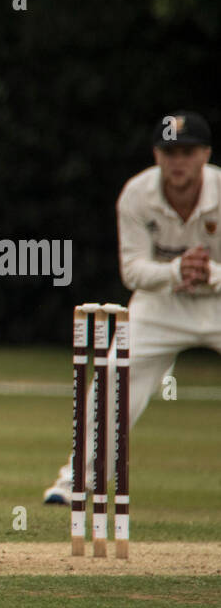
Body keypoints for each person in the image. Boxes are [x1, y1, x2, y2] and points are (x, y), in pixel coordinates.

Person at [43, 111, 221, 505]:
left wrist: (212, 274)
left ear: (205, 154)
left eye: (188, 151)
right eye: (169, 151)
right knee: (112, 375)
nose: (178, 161)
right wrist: (176, 271)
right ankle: (79, 477)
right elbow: (132, 270)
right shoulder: (137, 195)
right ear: (157, 155)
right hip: (163, 303)